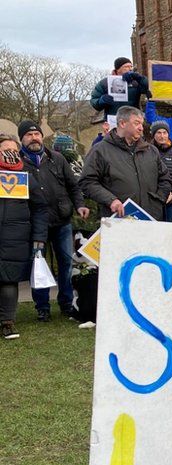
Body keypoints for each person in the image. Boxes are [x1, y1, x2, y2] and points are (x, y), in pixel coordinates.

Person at [18, 120, 88, 322]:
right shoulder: (19, 163)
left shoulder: (57, 158)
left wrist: (80, 205)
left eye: (37, 134)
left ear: (42, 136)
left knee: (66, 261)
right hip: (34, 224)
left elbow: (73, 186)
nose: (34, 138)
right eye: (29, 135)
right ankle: (42, 306)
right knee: (38, 264)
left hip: (62, 220)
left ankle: (66, 302)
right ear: (22, 138)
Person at [80, 106, 172, 221]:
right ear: (122, 123)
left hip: (151, 219)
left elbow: (165, 179)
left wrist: (157, 201)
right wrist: (111, 200)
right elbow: (87, 182)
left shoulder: (151, 150)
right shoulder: (100, 151)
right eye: (136, 123)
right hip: (118, 219)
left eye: (141, 123)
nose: (141, 128)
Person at [0, 135, 48, 339]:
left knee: (9, 281)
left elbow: (39, 208)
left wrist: (39, 236)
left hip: (16, 237)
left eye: (13, 149)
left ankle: (7, 322)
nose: (9, 153)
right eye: (5, 149)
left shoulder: (25, 175)